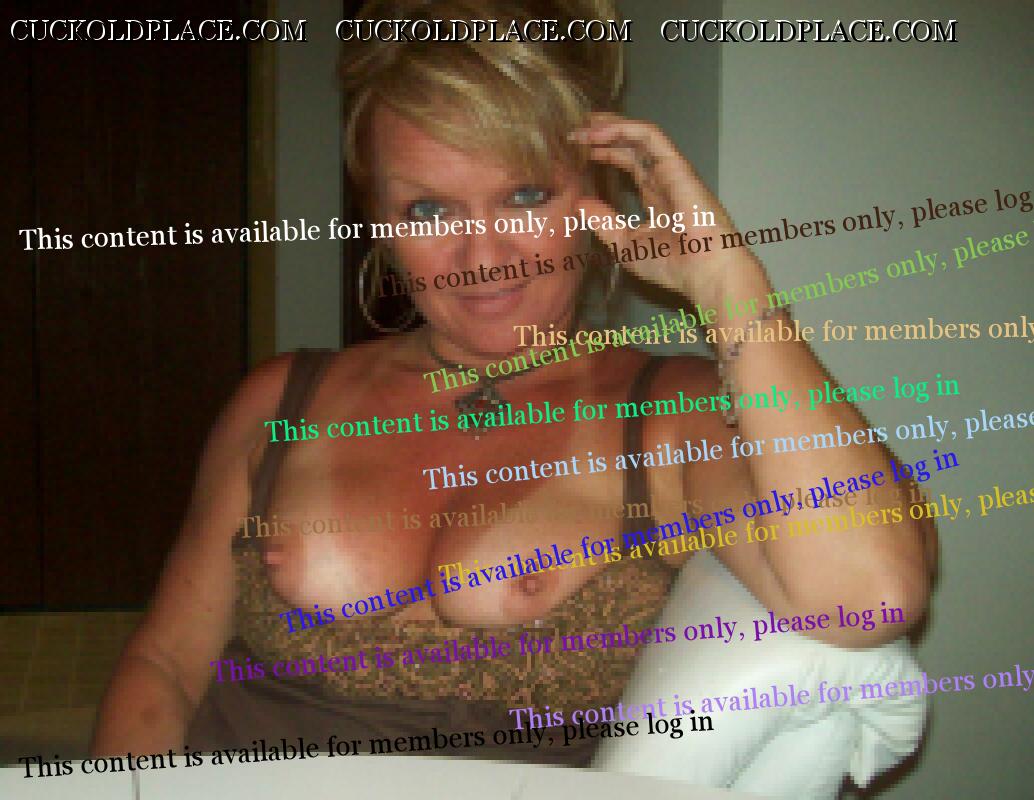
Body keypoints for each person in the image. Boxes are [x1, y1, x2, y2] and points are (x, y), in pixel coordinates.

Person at [92, 0, 937, 766]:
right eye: (429, 209)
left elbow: (867, 596)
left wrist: (729, 286)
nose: (483, 257)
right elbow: (165, 664)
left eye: (525, 195)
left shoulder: (669, 415)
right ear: (379, 220)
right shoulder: (281, 398)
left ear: (594, 197)